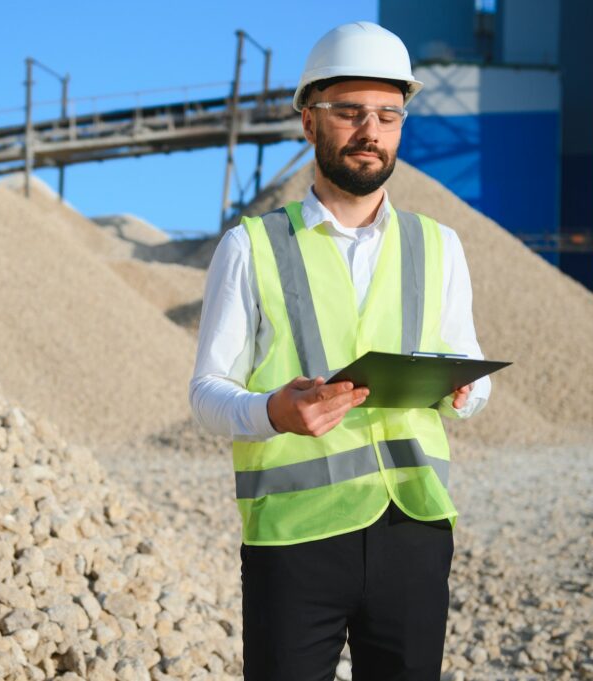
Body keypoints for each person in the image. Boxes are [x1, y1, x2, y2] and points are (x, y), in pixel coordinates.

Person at [189, 21, 492, 681]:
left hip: (413, 530)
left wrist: (464, 391)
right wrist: (273, 411)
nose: (370, 130)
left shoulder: (440, 246)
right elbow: (205, 392)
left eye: (388, 115)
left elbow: (472, 367)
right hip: (295, 539)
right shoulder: (252, 246)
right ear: (308, 122)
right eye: (350, 112)